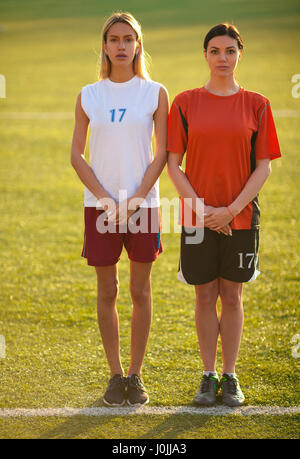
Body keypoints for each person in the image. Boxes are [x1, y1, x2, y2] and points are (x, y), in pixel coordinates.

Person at [167, 23, 281, 407]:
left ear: (239, 54)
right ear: (205, 55)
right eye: (215, 51)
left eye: (230, 51)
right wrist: (202, 210)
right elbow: (173, 164)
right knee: (204, 296)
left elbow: (263, 166)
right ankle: (207, 375)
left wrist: (231, 210)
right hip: (197, 218)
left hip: (241, 218)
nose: (222, 58)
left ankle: (230, 375)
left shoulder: (258, 104)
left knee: (231, 295)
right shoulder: (184, 102)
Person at [70, 12, 168, 406]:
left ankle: (136, 375)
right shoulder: (89, 95)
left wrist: (135, 199)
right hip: (100, 206)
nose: (122, 46)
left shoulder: (155, 92)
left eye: (129, 39)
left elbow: (163, 153)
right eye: (114, 39)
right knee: (107, 289)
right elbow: (76, 156)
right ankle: (114, 375)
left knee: (139, 290)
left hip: (143, 204)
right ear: (105, 45)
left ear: (138, 44)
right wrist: (108, 199)